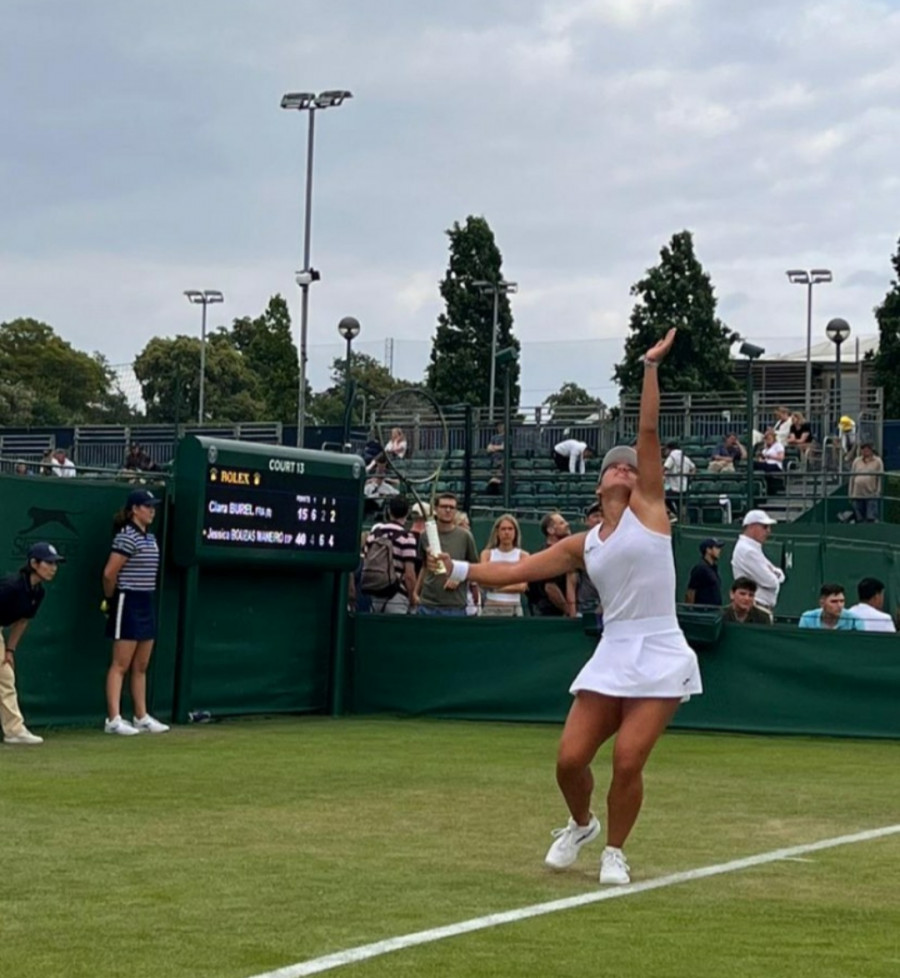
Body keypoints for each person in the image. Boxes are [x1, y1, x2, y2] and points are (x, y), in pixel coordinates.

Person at [433, 327, 702, 885]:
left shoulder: (651, 509)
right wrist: (457, 569)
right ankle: (582, 824)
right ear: (601, 481)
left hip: (661, 649)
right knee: (569, 760)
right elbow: (521, 570)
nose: (628, 469)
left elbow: (647, 429)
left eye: (634, 466)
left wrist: (650, 368)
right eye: (618, 466)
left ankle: (616, 851)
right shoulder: (584, 543)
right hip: (613, 651)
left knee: (627, 760)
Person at [101, 489, 169, 735]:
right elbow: (109, 573)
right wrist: (110, 599)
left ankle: (141, 716)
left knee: (141, 665)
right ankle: (114, 719)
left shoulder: (150, 539)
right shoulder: (125, 537)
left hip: (145, 600)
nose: (152, 510)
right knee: (120, 664)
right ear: (134, 510)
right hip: (126, 600)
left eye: (153, 506)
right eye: (147, 506)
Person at [0, 542, 66, 745]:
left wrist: (10, 649)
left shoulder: (38, 592)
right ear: (34, 563)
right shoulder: (11, 586)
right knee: (5, 679)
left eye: (55, 564)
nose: (54, 568)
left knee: (5, 678)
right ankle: (14, 730)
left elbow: (22, 621)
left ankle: (14, 731)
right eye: (49, 563)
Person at [413, 492, 479, 617]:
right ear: (436, 509)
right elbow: (424, 566)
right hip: (427, 603)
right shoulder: (425, 535)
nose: (448, 510)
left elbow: (474, 567)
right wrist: (416, 593)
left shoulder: (465, 536)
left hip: (454, 605)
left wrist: (458, 577)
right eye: (444, 506)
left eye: (452, 507)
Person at [360, 496, 418, 615]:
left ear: (388, 511)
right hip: (398, 596)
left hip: (375, 593)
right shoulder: (407, 537)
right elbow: (409, 574)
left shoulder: (374, 535)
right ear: (407, 513)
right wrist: (413, 596)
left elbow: (366, 560)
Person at [731, 509, 784, 617]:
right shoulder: (747, 550)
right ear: (751, 527)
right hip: (754, 608)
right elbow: (771, 581)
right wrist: (774, 575)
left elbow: (780, 574)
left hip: (760, 608)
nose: (768, 531)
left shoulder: (752, 548)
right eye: (764, 527)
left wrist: (774, 574)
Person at [480, 513, 529, 617]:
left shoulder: (523, 555)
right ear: (497, 532)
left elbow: (521, 586)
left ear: (515, 532)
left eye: (510, 529)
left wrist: (495, 587)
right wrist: (509, 584)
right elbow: (483, 581)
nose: (507, 532)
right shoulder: (487, 554)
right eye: (503, 529)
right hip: (491, 606)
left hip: (513, 607)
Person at [527, 512, 576, 617]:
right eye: (562, 523)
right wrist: (569, 611)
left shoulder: (563, 552)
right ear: (550, 530)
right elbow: (550, 588)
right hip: (549, 614)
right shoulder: (548, 554)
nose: (567, 524)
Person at [798, 584, 864, 631]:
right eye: (834, 601)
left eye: (842, 601)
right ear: (822, 603)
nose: (839, 605)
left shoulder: (855, 620)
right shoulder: (807, 618)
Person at [849, 443, 884, 523]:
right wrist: (850, 493)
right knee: (859, 518)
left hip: (871, 494)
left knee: (871, 518)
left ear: (871, 450)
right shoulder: (856, 461)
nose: (865, 451)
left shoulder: (878, 461)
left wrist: (878, 492)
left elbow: (880, 478)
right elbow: (852, 477)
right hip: (857, 494)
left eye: (867, 449)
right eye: (863, 449)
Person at [684, 538, 723, 606]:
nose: (719, 550)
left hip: (714, 612)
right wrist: (691, 611)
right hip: (703, 613)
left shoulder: (713, 569)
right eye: (716, 548)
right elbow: (690, 592)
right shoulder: (700, 568)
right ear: (708, 550)